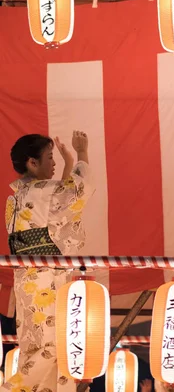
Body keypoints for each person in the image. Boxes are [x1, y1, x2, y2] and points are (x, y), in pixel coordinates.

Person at [4, 131, 95, 392]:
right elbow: (75, 194)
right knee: (52, 346)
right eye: (49, 157)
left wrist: (67, 164)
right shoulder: (41, 192)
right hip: (46, 278)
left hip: (28, 278)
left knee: (36, 345)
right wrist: (81, 154)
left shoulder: (20, 195)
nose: (53, 164)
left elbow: (55, 209)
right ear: (33, 162)